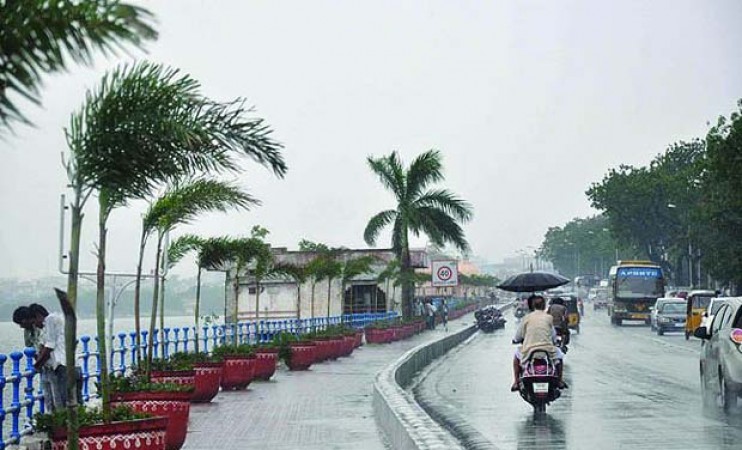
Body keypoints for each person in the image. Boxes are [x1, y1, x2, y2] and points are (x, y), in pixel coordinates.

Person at [511, 295, 566, 392]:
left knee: (516, 356)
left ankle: (516, 382)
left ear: (532, 305)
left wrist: (515, 340)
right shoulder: (548, 318)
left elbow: (518, 336)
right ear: (544, 305)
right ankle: (560, 380)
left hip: (528, 350)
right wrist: (555, 341)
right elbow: (553, 335)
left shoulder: (526, 318)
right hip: (548, 350)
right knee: (560, 356)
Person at [29, 303, 68, 411]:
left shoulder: (50, 319)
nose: (35, 325)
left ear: (38, 315)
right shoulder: (47, 326)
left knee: (61, 403)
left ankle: (63, 426)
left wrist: (37, 364)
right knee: (60, 402)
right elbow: (44, 345)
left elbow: (49, 346)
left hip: (60, 365)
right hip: (63, 364)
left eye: (34, 321)